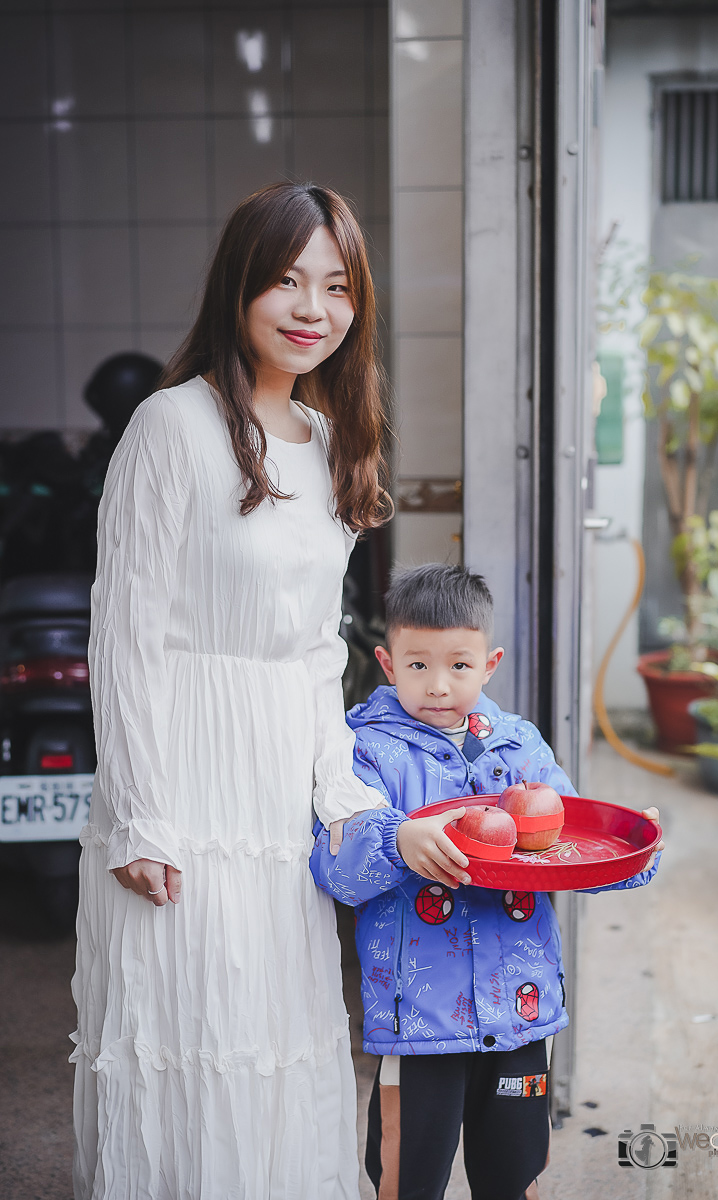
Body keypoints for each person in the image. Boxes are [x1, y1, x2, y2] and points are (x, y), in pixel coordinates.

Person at [71, 182, 392, 1199]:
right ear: (239, 288)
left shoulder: (334, 441)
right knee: (182, 1041)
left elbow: (312, 654)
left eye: (335, 286)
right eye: (287, 280)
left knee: (276, 1041)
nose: (312, 308)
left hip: (275, 797)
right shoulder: (169, 427)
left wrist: (340, 796)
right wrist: (139, 816)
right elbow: (121, 637)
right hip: (181, 783)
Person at [311, 563, 664, 1200]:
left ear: (490, 663)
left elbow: (569, 843)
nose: (439, 685)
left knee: (514, 1168)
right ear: (388, 663)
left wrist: (636, 851)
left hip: (519, 1008)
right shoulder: (362, 751)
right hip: (418, 1020)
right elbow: (334, 866)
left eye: (459, 666)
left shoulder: (519, 746)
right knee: (405, 1172)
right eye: (418, 665)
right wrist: (396, 839)